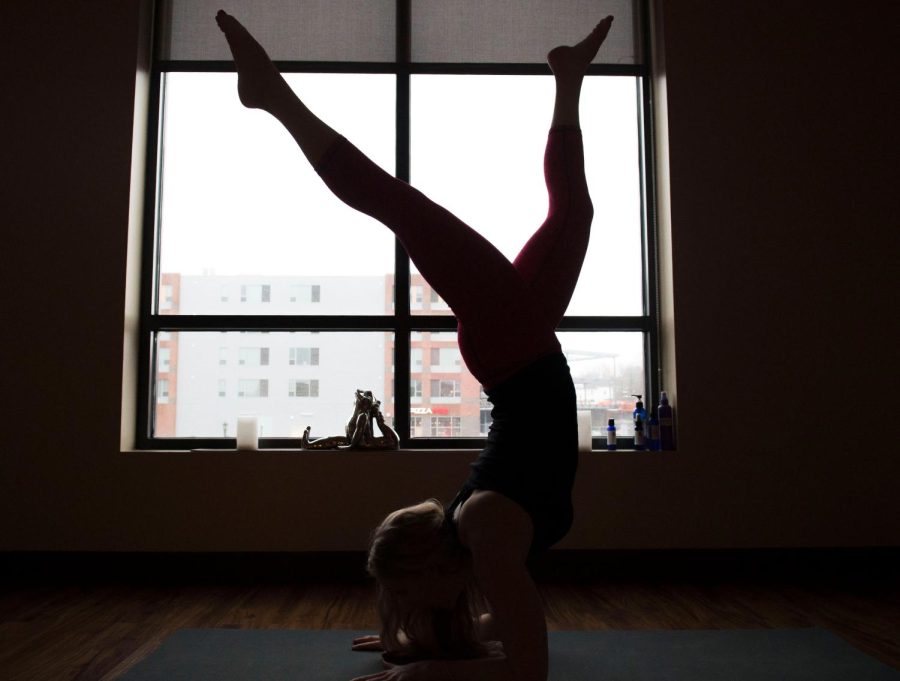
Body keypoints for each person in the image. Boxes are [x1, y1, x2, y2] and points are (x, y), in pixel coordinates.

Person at [216, 10, 614, 681]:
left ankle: (273, 97)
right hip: (518, 345)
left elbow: (515, 652)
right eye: (400, 598)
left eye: (399, 595)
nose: (397, 605)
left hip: (511, 344)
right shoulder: (483, 540)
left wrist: (422, 663)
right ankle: (568, 77)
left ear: (434, 569)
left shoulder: (482, 533)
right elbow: (523, 661)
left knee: (401, 205)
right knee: (572, 214)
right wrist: (426, 654)